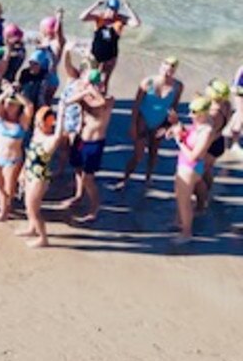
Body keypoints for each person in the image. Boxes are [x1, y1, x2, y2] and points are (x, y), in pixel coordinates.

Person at [120, 56, 182, 188]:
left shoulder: (177, 86)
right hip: (143, 120)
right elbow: (136, 105)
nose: (167, 72)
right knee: (138, 155)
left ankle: (148, 178)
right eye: (165, 68)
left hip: (160, 123)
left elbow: (174, 108)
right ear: (161, 67)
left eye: (171, 69)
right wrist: (132, 125)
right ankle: (124, 179)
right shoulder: (147, 82)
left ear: (174, 71)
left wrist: (168, 127)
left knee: (154, 153)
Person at [62, 69, 114, 222]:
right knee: (78, 170)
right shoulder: (85, 98)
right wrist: (84, 91)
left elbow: (102, 103)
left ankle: (94, 208)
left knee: (88, 178)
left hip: (95, 142)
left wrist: (91, 89)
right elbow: (68, 101)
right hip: (81, 139)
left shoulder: (109, 99)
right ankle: (78, 196)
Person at [168, 97, 216, 246]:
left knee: (184, 202)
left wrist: (179, 141)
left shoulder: (207, 130)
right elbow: (190, 135)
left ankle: (186, 233)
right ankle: (180, 222)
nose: (190, 115)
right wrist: (178, 127)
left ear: (203, 113)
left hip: (190, 168)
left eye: (194, 112)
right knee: (180, 196)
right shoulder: (201, 123)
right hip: (189, 166)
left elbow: (194, 156)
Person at [17, 107, 64, 248]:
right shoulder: (37, 134)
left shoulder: (50, 141)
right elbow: (29, 155)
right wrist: (22, 172)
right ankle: (32, 228)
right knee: (28, 204)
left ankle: (43, 238)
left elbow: (58, 134)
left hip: (39, 178)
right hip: (30, 173)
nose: (37, 123)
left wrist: (62, 111)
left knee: (33, 209)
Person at [0, 85, 32, 223]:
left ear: (18, 107)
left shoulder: (22, 122)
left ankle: (6, 209)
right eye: (7, 104)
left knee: (9, 189)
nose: (9, 107)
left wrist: (15, 93)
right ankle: (3, 211)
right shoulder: (0, 117)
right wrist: (5, 93)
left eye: (13, 105)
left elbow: (29, 105)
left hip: (12, 159)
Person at [79, 0, 141, 86]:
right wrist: (96, 4)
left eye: (115, 10)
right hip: (95, 54)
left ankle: (102, 97)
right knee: (87, 78)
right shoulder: (99, 16)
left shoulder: (120, 19)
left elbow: (136, 24)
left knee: (104, 81)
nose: (112, 13)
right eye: (110, 9)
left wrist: (128, 8)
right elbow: (82, 18)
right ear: (106, 8)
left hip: (110, 56)